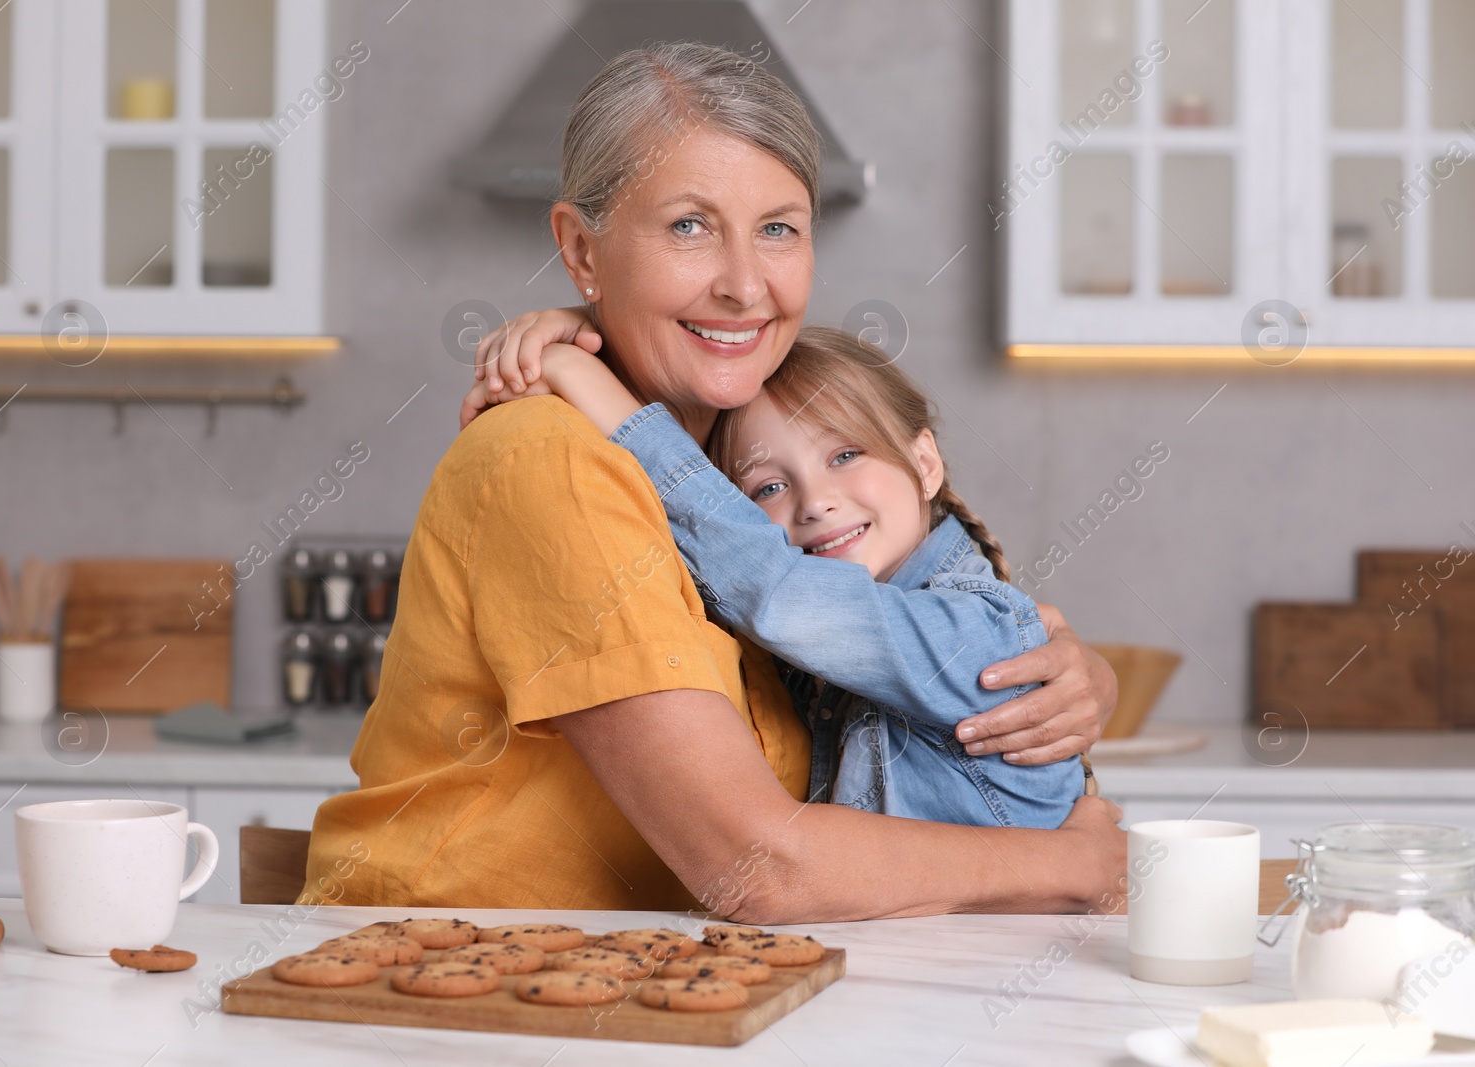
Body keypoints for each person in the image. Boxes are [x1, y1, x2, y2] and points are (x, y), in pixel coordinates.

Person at [302, 41, 1123, 919]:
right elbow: (756, 867)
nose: (742, 285)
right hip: (452, 1000)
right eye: (688, 226)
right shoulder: (556, 459)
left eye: (778, 228)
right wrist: (1066, 862)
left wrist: (1083, 678)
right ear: (582, 250)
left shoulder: (738, 470)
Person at [464, 325, 1088, 830]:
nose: (815, 501)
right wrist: (581, 327)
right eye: (768, 487)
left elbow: (773, 587)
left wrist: (580, 376)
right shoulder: (816, 656)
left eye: (845, 455)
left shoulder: (983, 631)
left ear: (924, 463)